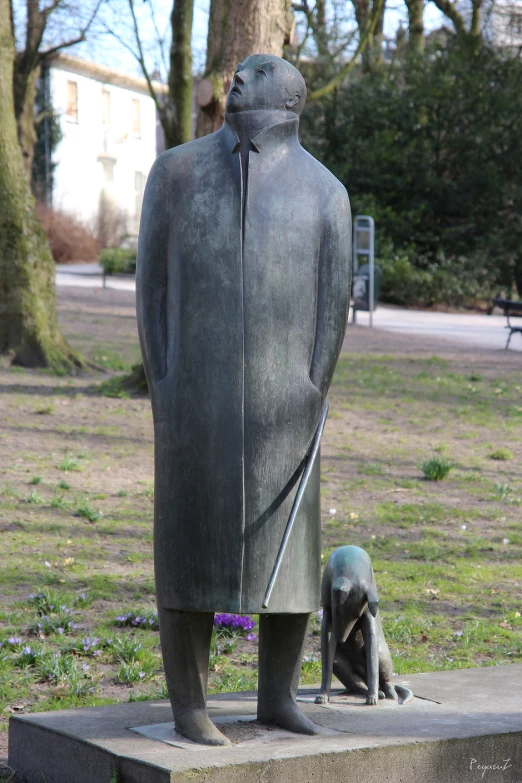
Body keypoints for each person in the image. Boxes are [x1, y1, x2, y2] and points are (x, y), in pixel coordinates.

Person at [137, 54, 351, 746]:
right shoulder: (173, 174)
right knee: (189, 541)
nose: (238, 76)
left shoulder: (324, 192)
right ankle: (188, 706)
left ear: (292, 97)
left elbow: (333, 306)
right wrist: (164, 380)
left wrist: (312, 385)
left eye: (258, 72)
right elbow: (152, 292)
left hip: (287, 403)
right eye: (239, 70)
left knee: (286, 553)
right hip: (191, 398)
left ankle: (278, 696)